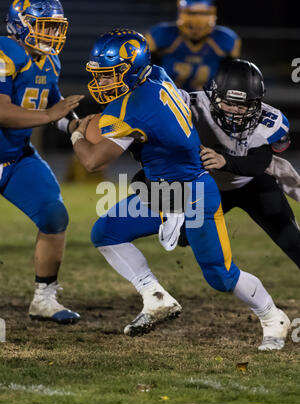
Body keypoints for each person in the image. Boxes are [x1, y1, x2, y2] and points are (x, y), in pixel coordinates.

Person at [70, 29, 290, 351]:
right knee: (106, 232)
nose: (102, 83)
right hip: (163, 193)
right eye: (99, 75)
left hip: (193, 194)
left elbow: (92, 161)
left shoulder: (134, 106)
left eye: (110, 75)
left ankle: (273, 317)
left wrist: (75, 133)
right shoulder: (156, 75)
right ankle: (155, 296)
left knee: (221, 276)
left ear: (132, 69)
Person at [0, 0, 82, 324]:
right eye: (43, 25)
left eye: (55, 27)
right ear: (20, 24)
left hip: (17, 157)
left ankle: (44, 299)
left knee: (53, 214)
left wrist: (73, 124)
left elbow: (52, 103)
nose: (50, 33)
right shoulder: (5, 52)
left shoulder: (50, 62)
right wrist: (50, 115)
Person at [176, 59, 300, 270]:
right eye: (229, 103)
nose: (234, 111)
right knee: (182, 236)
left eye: (243, 106)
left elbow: (259, 162)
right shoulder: (191, 105)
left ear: (257, 103)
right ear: (214, 95)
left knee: (293, 242)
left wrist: (225, 161)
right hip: (209, 188)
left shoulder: (269, 120)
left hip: (253, 185)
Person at [145, 0, 241, 92]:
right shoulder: (162, 34)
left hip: (208, 103)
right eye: (192, 13)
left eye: (203, 13)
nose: (198, 19)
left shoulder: (225, 39)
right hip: (168, 99)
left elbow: (231, 79)